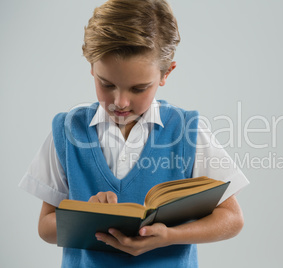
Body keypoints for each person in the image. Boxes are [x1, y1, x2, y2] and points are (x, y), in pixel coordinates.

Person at [19, 0, 249, 267]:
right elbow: (45, 227)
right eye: (106, 84)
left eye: (138, 89)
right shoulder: (68, 131)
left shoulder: (188, 132)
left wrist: (169, 236)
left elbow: (232, 219)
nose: (121, 102)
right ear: (92, 66)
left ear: (166, 73)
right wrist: (87, 215)